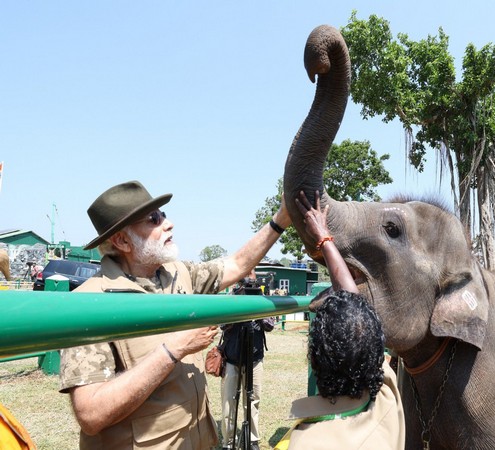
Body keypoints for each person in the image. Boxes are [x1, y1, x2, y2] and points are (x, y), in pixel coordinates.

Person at [58, 180, 290, 450]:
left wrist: (281, 219)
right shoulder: (90, 303)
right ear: (121, 241)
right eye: (153, 219)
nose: (168, 223)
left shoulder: (178, 274)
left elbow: (236, 264)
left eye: (163, 215)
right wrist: (174, 350)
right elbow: (91, 415)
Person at [274, 191, 405, 450]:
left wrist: (322, 238)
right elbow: (351, 299)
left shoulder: (307, 443)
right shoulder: (387, 399)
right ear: (377, 355)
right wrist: (324, 238)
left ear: (314, 359)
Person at [219, 269, 274, 450]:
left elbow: (270, 325)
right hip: (232, 358)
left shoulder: (262, 298)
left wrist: (258, 308)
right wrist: (238, 307)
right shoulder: (231, 297)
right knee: (229, 402)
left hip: (255, 359)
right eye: (246, 279)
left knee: (253, 401)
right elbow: (222, 324)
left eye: (252, 278)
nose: (249, 283)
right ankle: (229, 442)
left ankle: (252, 440)